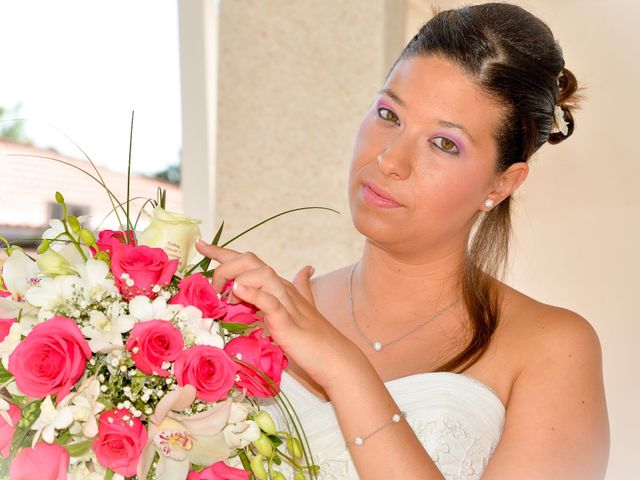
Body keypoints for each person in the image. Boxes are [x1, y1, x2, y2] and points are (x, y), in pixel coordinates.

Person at [196, 3, 609, 479]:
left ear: (501, 184)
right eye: (389, 114)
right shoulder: (263, 317)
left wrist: (343, 368)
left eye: (444, 143)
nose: (390, 159)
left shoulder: (553, 349)